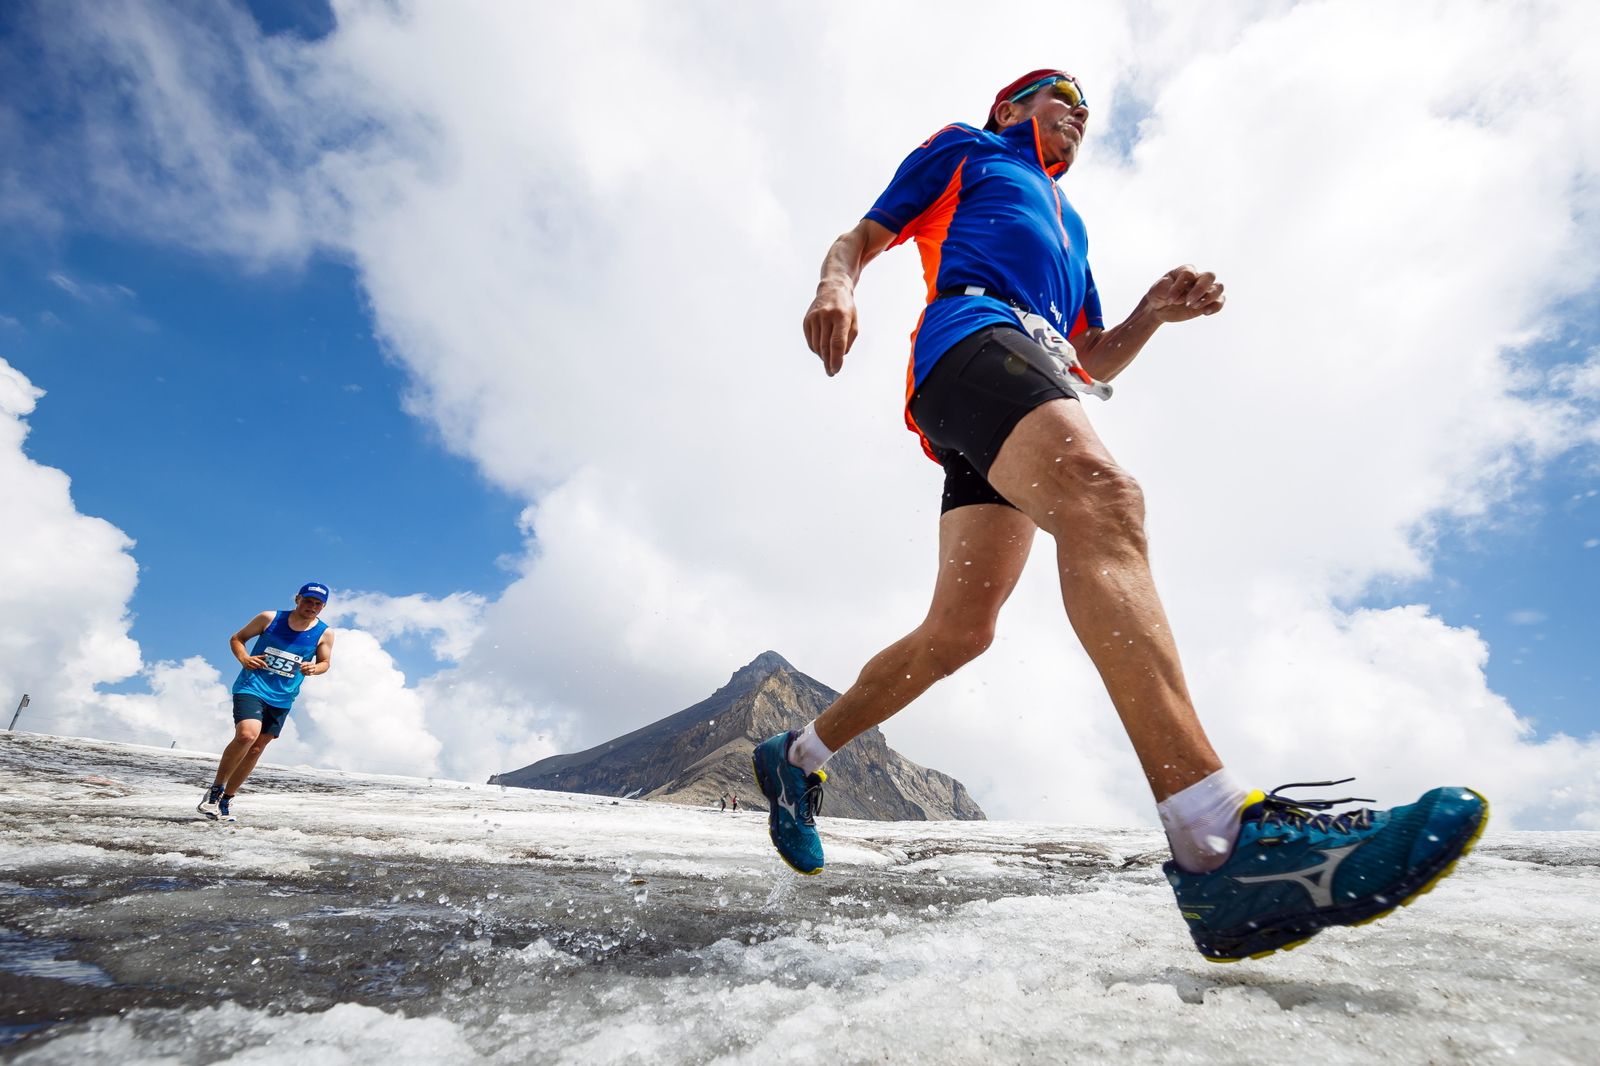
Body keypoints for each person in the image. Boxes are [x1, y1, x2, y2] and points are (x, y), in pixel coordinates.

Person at [752, 69, 1487, 960]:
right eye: (1059, 94)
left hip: (1027, 370)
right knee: (1105, 497)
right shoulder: (968, 149)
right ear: (1010, 108)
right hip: (970, 343)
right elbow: (862, 235)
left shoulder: (1073, 227)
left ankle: (797, 756)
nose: (1078, 112)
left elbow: (1091, 357)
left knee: (961, 632)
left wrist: (1152, 314)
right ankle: (1218, 841)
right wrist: (836, 285)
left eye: (1088, 109)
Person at [198, 582, 335, 822]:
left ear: (323, 607)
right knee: (246, 735)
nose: (312, 606)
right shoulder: (269, 618)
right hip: (251, 686)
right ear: (297, 599)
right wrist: (244, 658)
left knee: (256, 748)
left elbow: (325, 662)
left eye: (317, 603)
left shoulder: (325, 633)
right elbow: (237, 639)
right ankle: (215, 790)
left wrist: (315, 668)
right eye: (308, 600)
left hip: (283, 697)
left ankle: (227, 799)